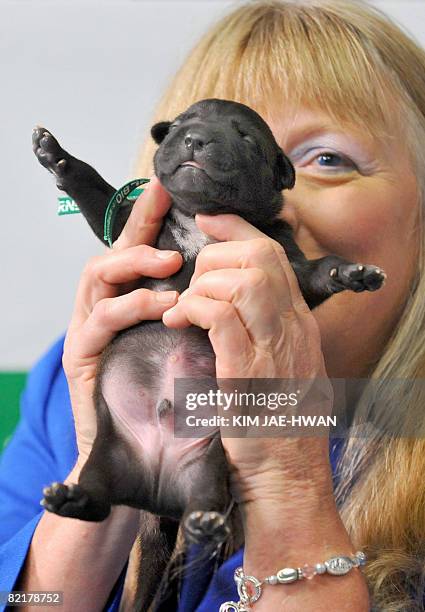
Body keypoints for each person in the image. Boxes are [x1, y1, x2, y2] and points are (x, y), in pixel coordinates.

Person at [1, 0, 425, 609]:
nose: (271, 213)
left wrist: (286, 477)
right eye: (200, 148)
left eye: (328, 159)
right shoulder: (65, 387)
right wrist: (116, 457)